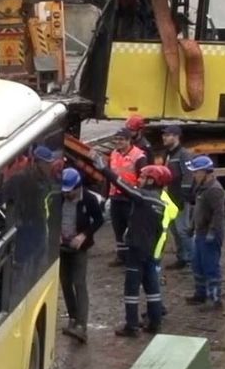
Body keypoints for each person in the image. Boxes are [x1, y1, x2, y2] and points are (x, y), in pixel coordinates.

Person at [98, 158, 169, 337]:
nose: (139, 180)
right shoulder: (161, 204)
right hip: (150, 249)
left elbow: (123, 186)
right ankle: (155, 321)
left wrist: (104, 169)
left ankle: (131, 325)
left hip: (136, 248)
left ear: (152, 181)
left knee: (131, 287)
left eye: (143, 177)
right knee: (151, 285)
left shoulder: (144, 197)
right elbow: (159, 230)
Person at [58, 168, 104, 344]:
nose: (67, 194)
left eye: (70, 191)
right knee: (65, 282)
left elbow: (99, 220)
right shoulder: (60, 197)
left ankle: (81, 326)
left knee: (79, 282)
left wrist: (84, 235)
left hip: (79, 248)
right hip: (62, 246)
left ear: (78, 188)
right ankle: (72, 317)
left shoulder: (90, 200)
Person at [185, 155, 225, 308]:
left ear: (205, 172)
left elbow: (218, 214)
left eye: (196, 172)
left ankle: (215, 298)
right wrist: (192, 226)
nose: (194, 175)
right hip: (200, 232)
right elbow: (197, 210)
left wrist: (213, 232)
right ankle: (200, 294)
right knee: (197, 264)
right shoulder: (200, 187)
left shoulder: (214, 190)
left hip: (210, 234)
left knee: (210, 266)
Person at [106, 129, 146, 266]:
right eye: (116, 139)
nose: (118, 142)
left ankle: (133, 256)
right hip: (115, 196)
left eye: (121, 139)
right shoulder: (114, 154)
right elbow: (109, 175)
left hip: (130, 197)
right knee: (118, 228)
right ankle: (121, 256)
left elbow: (142, 178)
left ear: (129, 140)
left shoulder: (139, 156)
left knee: (132, 228)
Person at [160, 125, 195, 270]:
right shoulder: (168, 154)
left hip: (179, 198)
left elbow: (188, 175)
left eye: (167, 135)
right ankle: (182, 257)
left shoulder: (183, 154)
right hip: (169, 198)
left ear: (176, 137)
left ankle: (194, 259)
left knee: (183, 230)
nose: (164, 137)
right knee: (174, 230)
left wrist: (184, 196)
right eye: (164, 135)